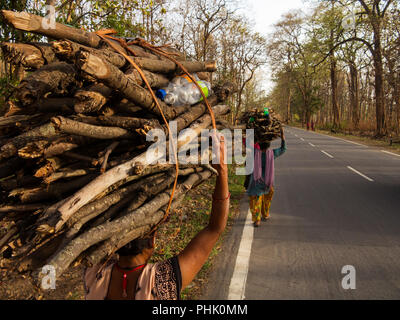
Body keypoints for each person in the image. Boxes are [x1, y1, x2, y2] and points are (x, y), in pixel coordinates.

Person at [84, 133, 229, 300]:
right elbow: (215, 228)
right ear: (152, 241)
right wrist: (222, 171)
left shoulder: (93, 276)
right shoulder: (162, 281)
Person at [245, 127, 286, 227]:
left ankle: (257, 219)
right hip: (268, 182)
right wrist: (282, 136)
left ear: (259, 145)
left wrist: (251, 133)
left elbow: (248, 145)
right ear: (269, 146)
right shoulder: (272, 154)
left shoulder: (255, 152)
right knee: (268, 197)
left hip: (256, 181)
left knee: (256, 200)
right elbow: (283, 149)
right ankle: (265, 214)